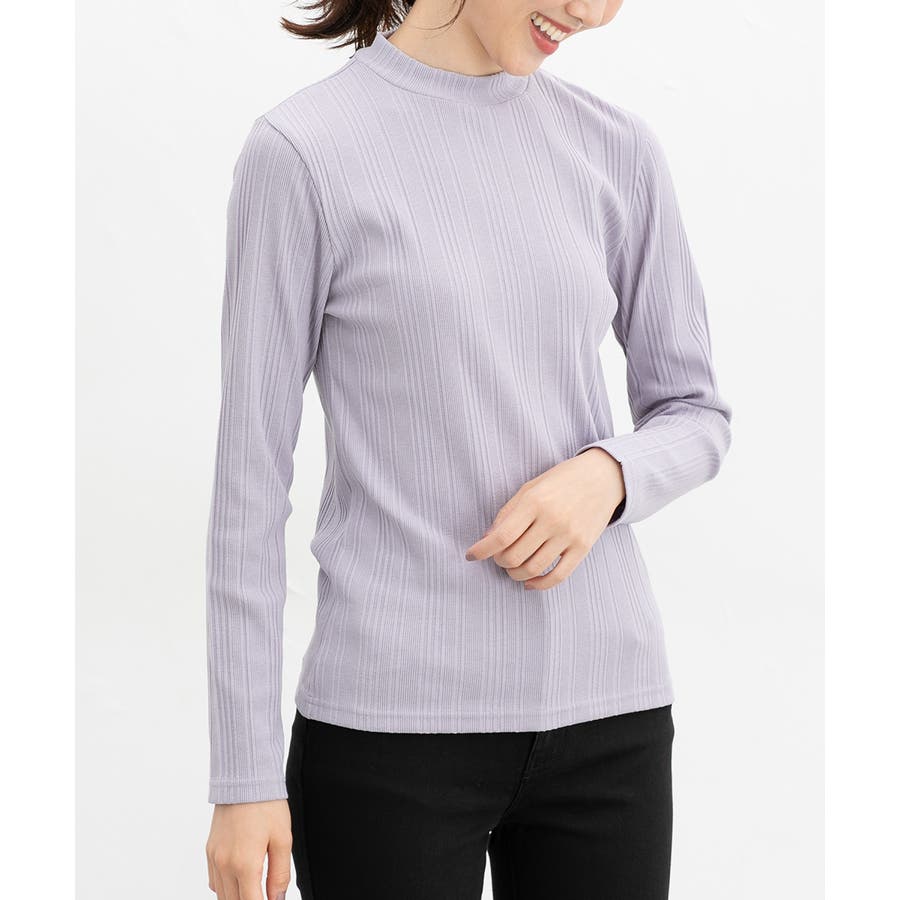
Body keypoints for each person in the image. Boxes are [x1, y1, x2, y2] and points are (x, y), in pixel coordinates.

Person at [204, 1, 733, 898]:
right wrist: (244, 773)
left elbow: (696, 411)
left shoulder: (617, 150)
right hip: (386, 739)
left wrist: (607, 476)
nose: (593, 12)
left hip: (612, 725)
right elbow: (249, 486)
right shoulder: (302, 152)